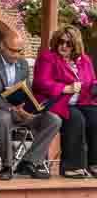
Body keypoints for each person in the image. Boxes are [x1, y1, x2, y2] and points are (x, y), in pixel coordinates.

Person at [0, 33, 60, 180]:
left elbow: (26, 90)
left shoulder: (23, 64)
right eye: (12, 50)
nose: (16, 55)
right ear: (2, 46)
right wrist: (10, 108)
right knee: (4, 117)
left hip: (20, 111)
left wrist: (29, 108)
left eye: (19, 51)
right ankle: (7, 166)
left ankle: (29, 162)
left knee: (53, 119)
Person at [32, 26, 97, 179]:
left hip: (82, 101)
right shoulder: (48, 57)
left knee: (96, 118)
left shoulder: (85, 60)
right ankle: (71, 166)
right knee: (76, 119)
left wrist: (94, 85)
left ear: (75, 45)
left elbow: (91, 79)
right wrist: (65, 88)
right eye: (61, 42)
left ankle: (94, 163)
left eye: (68, 43)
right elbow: (40, 83)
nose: (63, 46)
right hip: (58, 102)